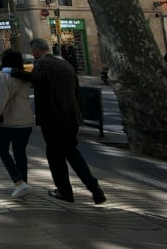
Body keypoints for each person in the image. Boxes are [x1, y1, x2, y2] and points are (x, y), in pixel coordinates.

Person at [7, 37, 106, 204]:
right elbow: (76, 91)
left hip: (53, 118)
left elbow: (36, 78)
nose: (33, 54)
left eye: (33, 51)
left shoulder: (42, 64)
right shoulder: (66, 64)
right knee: (72, 153)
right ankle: (95, 189)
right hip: (71, 118)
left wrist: (13, 72)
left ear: (37, 51)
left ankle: (64, 191)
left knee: (55, 156)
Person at [0, 48, 34, 198]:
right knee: (20, 152)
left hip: (8, 121)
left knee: (1, 148)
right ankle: (23, 182)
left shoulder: (3, 76)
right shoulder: (24, 76)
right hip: (26, 120)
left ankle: (19, 182)